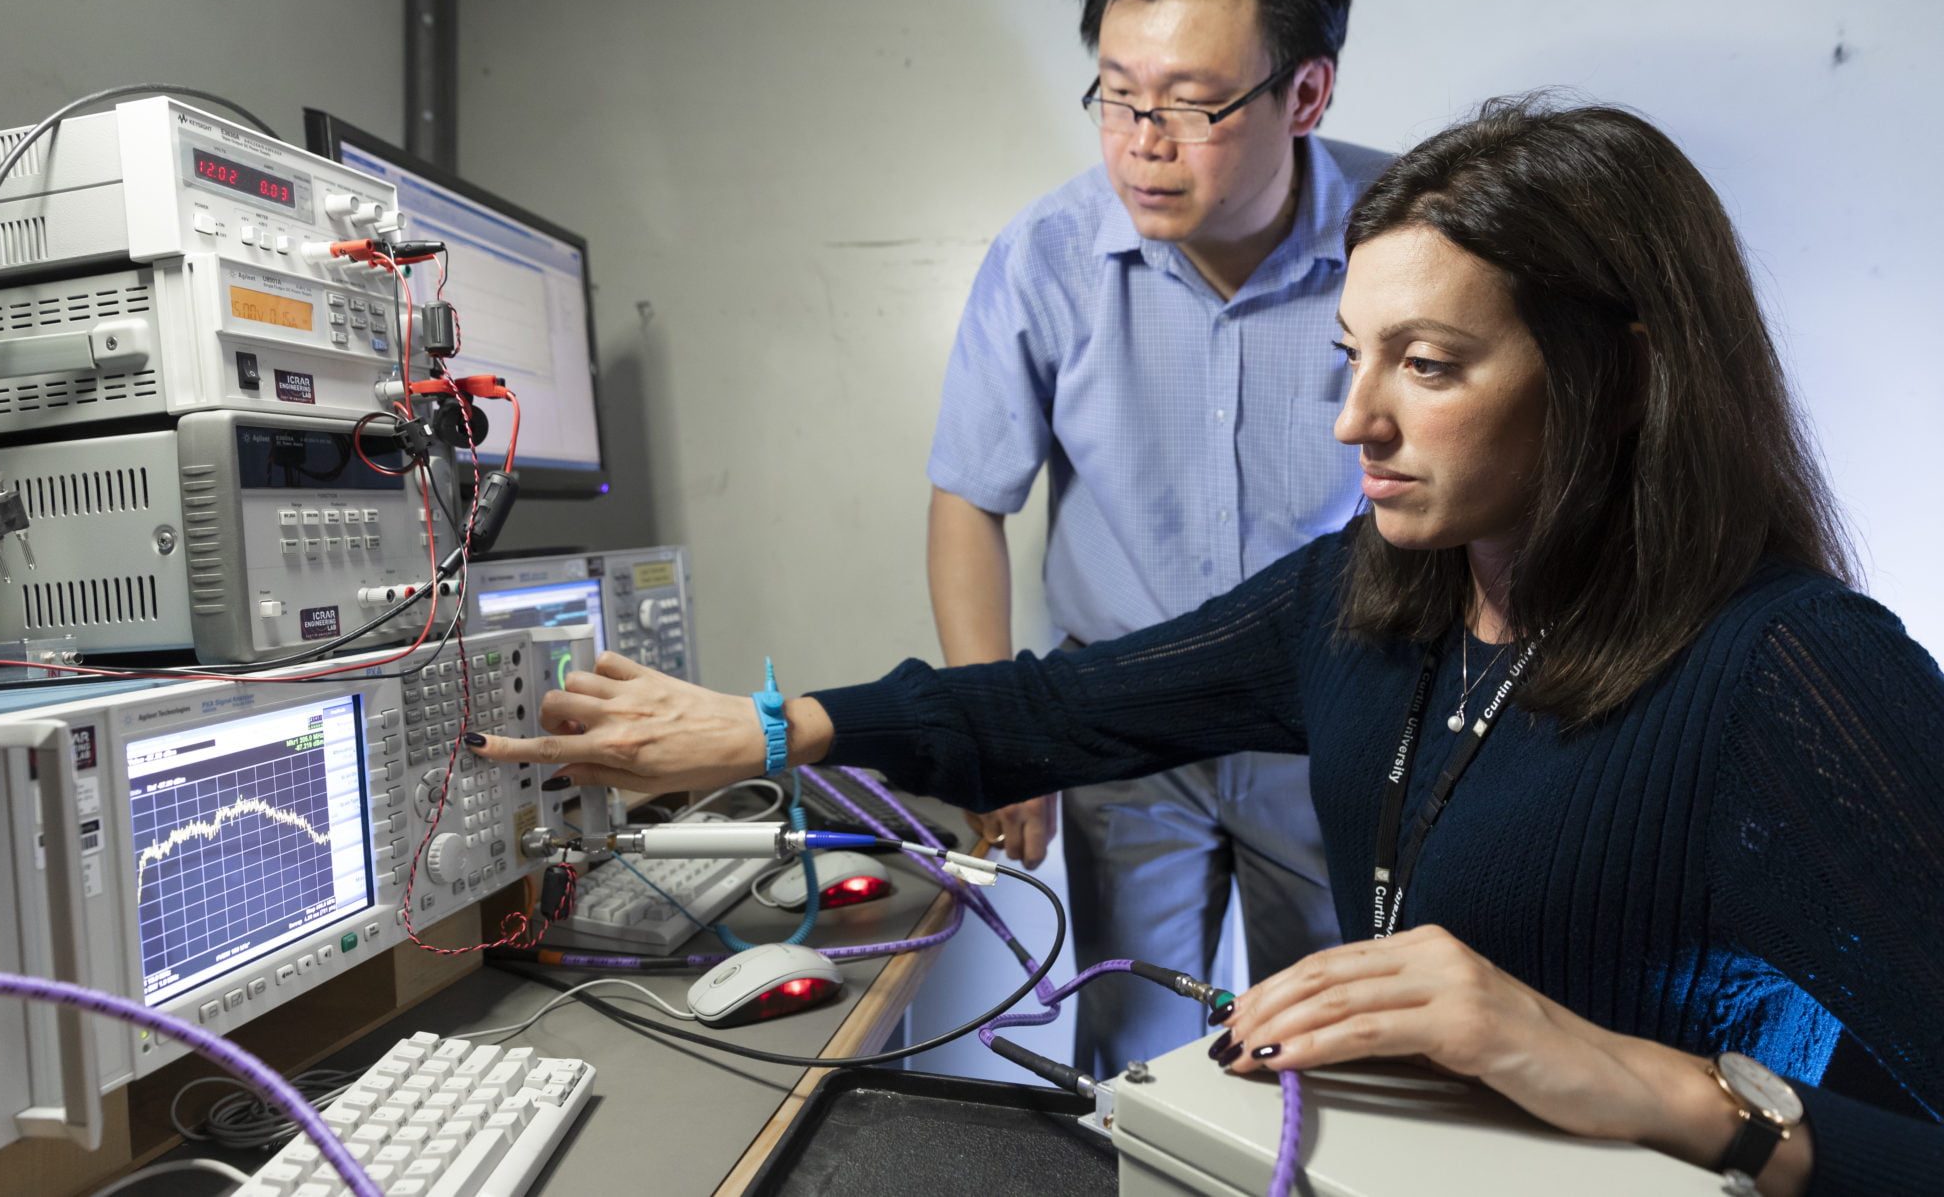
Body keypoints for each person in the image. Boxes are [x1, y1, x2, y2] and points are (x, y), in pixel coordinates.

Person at [471, 100, 1944, 1195]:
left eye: (1426, 367)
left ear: (1620, 377)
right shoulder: (1379, 593)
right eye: (1349, 357)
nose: (1353, 421)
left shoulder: (1797, 676)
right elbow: (1075, 700)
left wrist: (1684, 1097)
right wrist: (770, 727)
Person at [925, 0, 1391, 1077]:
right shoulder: (1044, 255)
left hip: (1333, 719)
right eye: (1117, 96)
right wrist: (999, 735)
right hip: (1122, 726)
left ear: (1305, 94)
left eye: (1189, 103)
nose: (1143, 140)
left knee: (1337, 1057)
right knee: (1131, 1057)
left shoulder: (1407, 239)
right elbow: (968, 498)